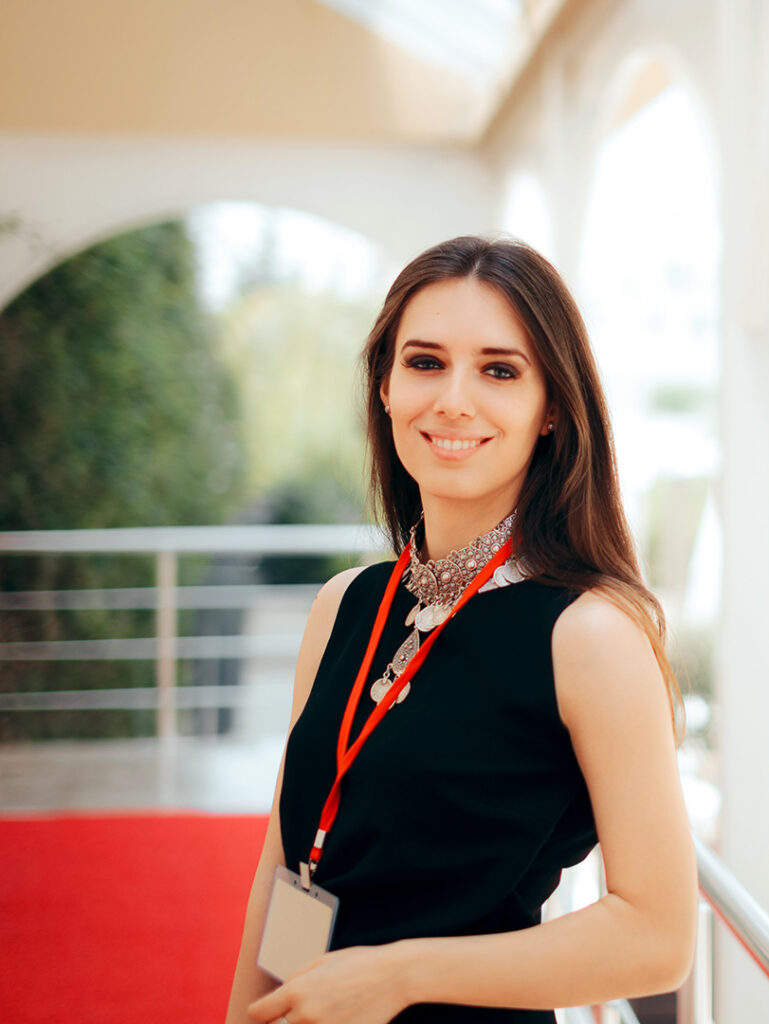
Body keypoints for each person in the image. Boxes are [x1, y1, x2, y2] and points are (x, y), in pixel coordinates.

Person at [226, 235, 697, 1024]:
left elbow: (659, 937)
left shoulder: (589, 635)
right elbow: (288, 864)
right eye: (425, 361)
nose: (453, 400)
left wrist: (398, 976)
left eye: (499, 370)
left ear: (550, 408)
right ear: (383, 386)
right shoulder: (343, 605)